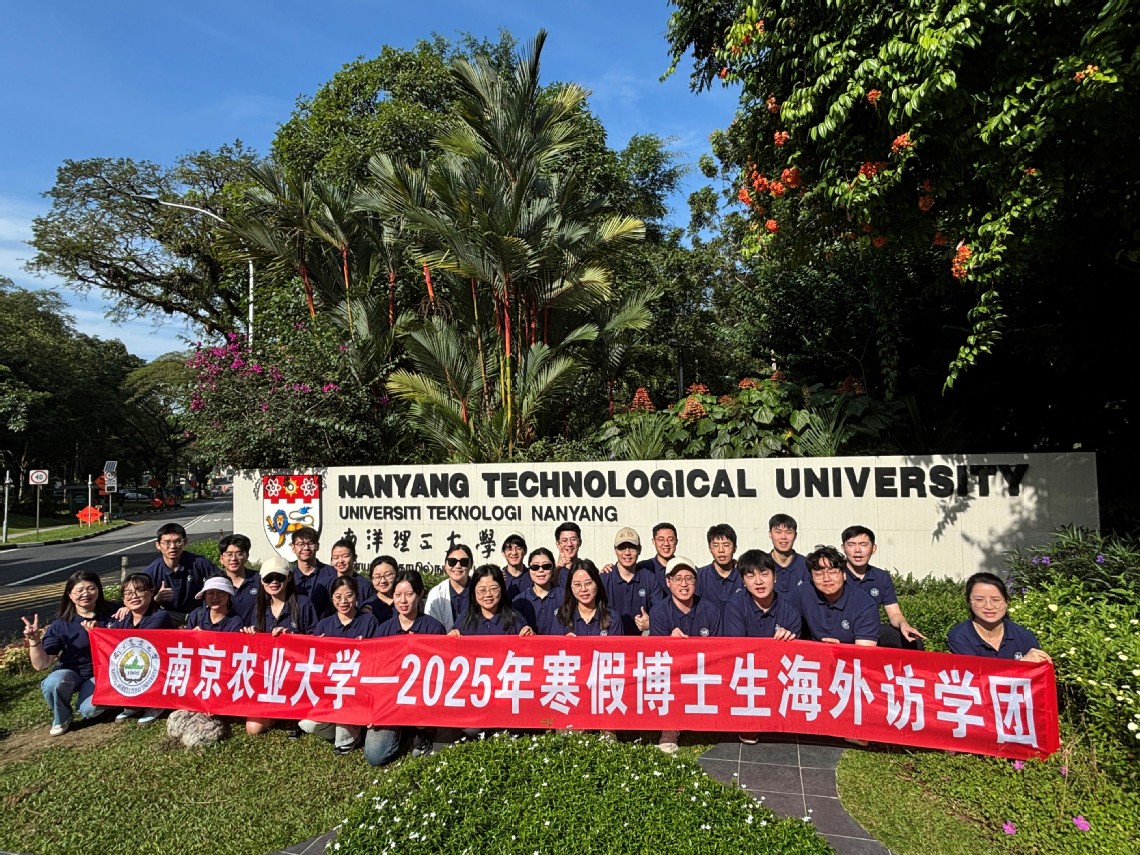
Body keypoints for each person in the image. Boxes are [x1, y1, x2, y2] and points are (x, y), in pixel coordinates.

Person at [22, 570, 114, 736]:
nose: (85, 594)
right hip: (72, 672)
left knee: (89, 710)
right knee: (54, 682)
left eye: (91, 588)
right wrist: (34, 641)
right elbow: (41, 664)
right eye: (79, 590)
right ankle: (62, 717)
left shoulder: (115, 613)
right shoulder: (60, 625)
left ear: (99, 590)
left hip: (103, 673)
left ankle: (103, 703)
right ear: (70, 595)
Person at [722, 549, 801, 745]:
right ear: (743, 581)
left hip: (777, 672)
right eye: (750, 576)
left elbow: (795, 657)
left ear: (775, 577)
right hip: (747, 673)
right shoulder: (735, 606)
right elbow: (737, 652)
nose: (758, 581)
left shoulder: (790, 610)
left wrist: (788, 640)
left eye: (764, 574)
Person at [369, 569, 446, 766]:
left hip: (423, 699)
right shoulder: (383, 629)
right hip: (390, 702)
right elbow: (375, 672)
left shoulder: (434, 628)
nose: (403, 600)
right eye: (398, 595)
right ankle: (402, 732)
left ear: (420, 595)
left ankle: (419, 732)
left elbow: (440, 674)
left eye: (409, 594)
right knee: (375, 755)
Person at [299, 577, 381, 755]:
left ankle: (351, 734)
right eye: (338, 597)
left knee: (344, 732)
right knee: (308, 724)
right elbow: (315, 662)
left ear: (356, 596)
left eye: (348, 596)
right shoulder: (324, 624)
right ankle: (339, 729)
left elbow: (376, 659)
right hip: (330, 690)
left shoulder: (369, 621)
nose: (343, 601)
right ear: (331, 599)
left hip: (356, 690)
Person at [649, 556, 721, 754]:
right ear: (668, 582)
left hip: (704, 669)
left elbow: (719, 650)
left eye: (689, 578)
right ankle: (670, 728)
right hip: (673, 671)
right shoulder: (658, 612)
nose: (683, 584)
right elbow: (657, 655)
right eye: (678, 578)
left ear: (696, 582)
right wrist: (670, 643)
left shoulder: (711, 610)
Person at [242, 554, 318, 738]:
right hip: (269, 677)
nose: (274, 582)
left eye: (279, 577)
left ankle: (294, 712)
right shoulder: (259, 607)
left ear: (289, 577)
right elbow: (254, 650)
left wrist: (293, 638)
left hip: (298, 675)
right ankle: (278, 712)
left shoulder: (303, 604)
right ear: (261, 581)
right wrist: (251, 634)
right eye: (269, 578)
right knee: (253, 728)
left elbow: (316, 641)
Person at [841, 525, 925, 649]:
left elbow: (894, 613)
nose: (857, 550)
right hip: (841, 627)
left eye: (863, 544)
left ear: (873, 549)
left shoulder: (881, 577)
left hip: (870, 629)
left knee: (913, 642)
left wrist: (904, 624)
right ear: (843, 548)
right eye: (851, 545)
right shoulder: (835, 574)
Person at [110, 573, 174, 726]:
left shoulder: (160, 616)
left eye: (139, 590)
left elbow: (141, 639)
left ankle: (157, 703)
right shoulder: (124, 618)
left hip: (162, 666)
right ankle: (135, 702)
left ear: (151, 592)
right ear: (123, 599)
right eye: (128, 593)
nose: (134, 596)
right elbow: (110, 636)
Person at [948, 572, 1052, 662]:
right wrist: (1022, 665)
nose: (989, 606)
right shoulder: (960, 636)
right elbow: (975, 674)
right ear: (969, 602)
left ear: (1006, 602)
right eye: (979, 600)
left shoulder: (1023, 635)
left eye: (996, 600)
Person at [798, 545, 879, 646]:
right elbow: (782, 610)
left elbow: (865, 651)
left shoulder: (864, 605)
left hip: (847, 654)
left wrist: (840, 649)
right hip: (814, 653)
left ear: (844, 575)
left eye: (833, 572)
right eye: (819, 574)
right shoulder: (804, 591)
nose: (826, 579)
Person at [140, 523, 218, 624]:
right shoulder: (151, 571)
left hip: (198, 613)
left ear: (185, 542)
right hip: (168, 616)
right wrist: (156, 599)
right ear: (158, 545)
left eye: (178, 541)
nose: (173, 546)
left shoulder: (199, 562)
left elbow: (221, 579)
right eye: (167, 542)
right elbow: (139, 602)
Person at [602, 527, 660, 635]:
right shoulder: (604, 579)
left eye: (632, 547)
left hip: (641, 641)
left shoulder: (650, 578)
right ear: (615, 550)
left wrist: (651, 623)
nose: (627, 553)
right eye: (622, 548)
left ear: (639, 550)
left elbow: (662, 613)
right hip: (611, 641)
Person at [449, 564, 533, 636]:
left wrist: (529, 635)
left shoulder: (515, 619)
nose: (488, 595)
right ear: (474, 591)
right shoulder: (465, 619)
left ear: (502, 589)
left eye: (493, 589)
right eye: (482, 590)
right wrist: (452, 636)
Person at [557, 559, 622, 636]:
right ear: (571, 587)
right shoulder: (562, 617)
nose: (583, 589)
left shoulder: (613, 618)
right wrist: (565, 641)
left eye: (588, 583)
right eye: (577, 585)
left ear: (597, 584)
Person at [424, 544, 474, 631]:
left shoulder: (480, 591)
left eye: (464, 562)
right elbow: (430, 626)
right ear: (445, 565)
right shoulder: (436, 593)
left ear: (470, 565)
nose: (457, 566)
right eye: (452, 562)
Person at [288, 526, 335, 618]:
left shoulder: (332, 574)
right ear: (293, 547)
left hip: (326, 626)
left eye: (311, 543)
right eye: (301, 544)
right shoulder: (288, 577)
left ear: (317, 546)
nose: (306, 548)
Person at [696, 523, 744, 611]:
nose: (721, 550)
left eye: (726, 545)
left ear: (735, 548)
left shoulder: (744, 575)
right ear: (710, 549)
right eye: (715, 545)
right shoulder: (700, 576)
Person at [514, 548, 560, 635]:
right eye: (535, 567)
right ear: (529, 570)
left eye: (546, 566)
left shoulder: (565, 597)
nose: (540, 570)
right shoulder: (519, 601)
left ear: (553, 569)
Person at [217, 534, 259, 626]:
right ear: (221, 559)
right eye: (229, 554)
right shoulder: (216, 583)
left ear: (247, 556)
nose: (234, 559)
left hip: (253, 633)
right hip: (225, 633)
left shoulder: (260, 580)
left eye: (239, 554)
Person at [768, 514, 811, 596]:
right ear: (770, 534)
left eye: (788, 532)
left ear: (795, 535)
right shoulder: (761, 564)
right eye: (778, 532)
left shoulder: (807, 565)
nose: (783, 537)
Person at [328, 537, 371, 603]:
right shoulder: (326, 584)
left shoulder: (364, 585)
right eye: (336, 557)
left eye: (345, 556)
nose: (340, 561)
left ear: (354, 557)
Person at [360, 555, 398, 623]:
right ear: (372, 579)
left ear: (396, 575)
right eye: (377, 577)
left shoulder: (403, 602)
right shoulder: (368, 606)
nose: (383, 581)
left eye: (388, 575)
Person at [500, 531, 532, 600]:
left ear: (525, 551)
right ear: (503, 553)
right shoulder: (499, 577)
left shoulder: (533, 576)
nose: (514, 553)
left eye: (518, 548)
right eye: (509, 549)